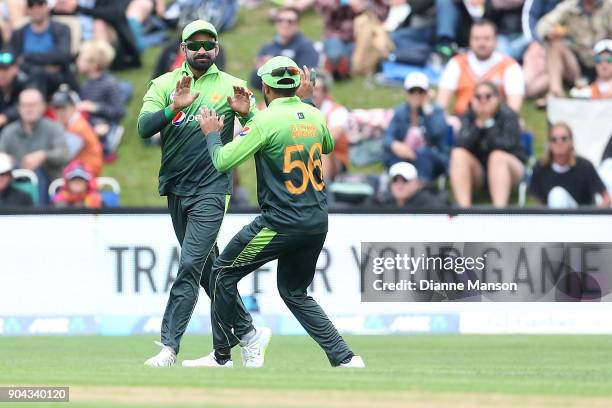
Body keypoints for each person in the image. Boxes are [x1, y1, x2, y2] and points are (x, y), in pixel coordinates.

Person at [190, 56, 364, 368]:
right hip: (315, 220)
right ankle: (345, 358)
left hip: (280, 222)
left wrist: (211, 133)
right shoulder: (313, 115)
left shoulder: (265, 121)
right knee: (295, 292)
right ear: (296, 85)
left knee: (221, 274)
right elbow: (323, 145)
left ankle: (224, 355)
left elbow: (222, 161)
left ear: (266, 87)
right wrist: (301, 103)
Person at [137, 20, 259, 367]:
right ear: (183, 50)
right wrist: (174, 106)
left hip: (213, 188)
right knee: (208, 271)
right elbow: (144, 129)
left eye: (209, 45)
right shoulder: (164, 84)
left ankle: (169, 347)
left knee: (189, 264)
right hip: (176, 188)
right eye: (195, 45)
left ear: (217, 49)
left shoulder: (234, 86)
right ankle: (248, 334)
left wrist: (247, 113)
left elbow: (261, 134)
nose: (202, 50)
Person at [449, 81, 526, 208]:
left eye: (488, 96)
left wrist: (489, 123)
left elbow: (508, 145)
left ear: (497, 98)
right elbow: (461, 143)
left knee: (497, 156)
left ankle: (499, 210)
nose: (483, 101)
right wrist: (478, 126)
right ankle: (464, 209)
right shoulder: (469, 115)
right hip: (479, 171)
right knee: (458, 154)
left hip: (510, 168)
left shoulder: (509, 115)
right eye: (478, 97)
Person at [437, 19, 525, 117]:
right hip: (462, 121)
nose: (481, 43)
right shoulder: (456, 63)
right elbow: (441, 105)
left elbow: (514, 108)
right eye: (476, 38)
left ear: (496, 40)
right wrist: (449, 122)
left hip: (496, 123)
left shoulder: (510, 66)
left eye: (486, 38)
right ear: (470, 40)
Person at [0, 88, 69, 205]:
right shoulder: (9, 131)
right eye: (25, 105)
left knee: (38, 172)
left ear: (43, 107)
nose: (28, 109)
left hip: (50, 183)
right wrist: (8, 161)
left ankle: (39, 214)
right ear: (19, 108)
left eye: (32, 105)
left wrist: (43, 155)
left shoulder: (54, 128)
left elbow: (64, 154)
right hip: (15, 181)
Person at [536, 0, 612, 97]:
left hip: (605, 62)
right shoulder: (569, 6)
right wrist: (550, 32)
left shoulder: (608, 5)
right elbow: (543, 25)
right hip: (579, 63)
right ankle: (556, 92)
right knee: (554, 44)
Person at [384, 72, 449, 183]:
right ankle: (397, 193)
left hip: (431, 157)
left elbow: (437, 133)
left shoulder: (436, 111)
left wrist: (426, 109)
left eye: (421, 91)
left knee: (423, 155)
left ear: (427, 93)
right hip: (404, 156)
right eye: (412, 91)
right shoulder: (400, 112)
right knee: (394, 157)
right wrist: (394, 145)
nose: (416, 95)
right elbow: (388, 136)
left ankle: (421, 192)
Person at [529, 123, 610, 208]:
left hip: (580, 217)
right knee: (556, 195)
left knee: (557, 194)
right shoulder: (540, 168)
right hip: (551, 218)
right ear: (549, 143)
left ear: (571, 141)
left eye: (563, 139)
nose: (559, 142)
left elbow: (606, 198)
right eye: (554, 139)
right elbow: (540, 203)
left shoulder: (585, 167)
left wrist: (593, 216)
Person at [10, 0, 76, 97]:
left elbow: (63, 56)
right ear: (28, 9)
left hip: (56, 78)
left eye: (40, 4)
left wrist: (28, 56)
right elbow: (15, 59)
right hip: (26, 75)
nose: (36, 8)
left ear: (47, 6)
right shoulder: (19, 33)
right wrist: (44, 67)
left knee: (39, 76)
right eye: (31, 5)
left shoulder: (62, 29)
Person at [53, 0, 142, 69]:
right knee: (68, 23)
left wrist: (78, 8)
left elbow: (115, 14)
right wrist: (59, 8)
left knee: (99, 23)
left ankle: (100, 63)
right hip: (78, 37)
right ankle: (69, 62)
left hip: (106, 37)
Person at [76, 40, 127, 155]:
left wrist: (95, 107)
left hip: (105, 122)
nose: (77, 62)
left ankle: (111, 136)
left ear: (94, 65)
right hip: (88, 120)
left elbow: (119, 112)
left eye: (81, 59)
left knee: (99, 128)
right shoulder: (86, 82)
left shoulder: (110, 84)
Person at [315, 0, 387, 80]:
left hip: (359, 40)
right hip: (335, 35)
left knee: (354, 65)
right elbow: (323, 6)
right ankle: (325, 58)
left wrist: (366, 4)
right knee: (335, 57)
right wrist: (344, 2)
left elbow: (384, 12)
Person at [250, 7, 319, 90]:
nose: (284, 24)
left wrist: (274, 68)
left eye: (290, 21)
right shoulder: (267, 48)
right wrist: (260, 70)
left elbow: (309, 79)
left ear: (298, 24)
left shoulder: (305, 46)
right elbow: (255, 84)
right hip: (272, 98)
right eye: (280, 20)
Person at [51, 88, 103, 177]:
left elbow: (65, 155)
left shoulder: (78, 127)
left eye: (63, 108)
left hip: (86, 172)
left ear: (73, 107)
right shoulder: (68, 124)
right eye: (57, 108)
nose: (60, 112)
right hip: (78, 168)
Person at [312, 71, 349, 181]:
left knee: (323, 148)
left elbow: (330, 138)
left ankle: (323, 189)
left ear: (325, 93)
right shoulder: (299, 110)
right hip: (305, 154)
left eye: (317, 89)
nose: (313, 93)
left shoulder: (337, 111)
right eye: (311, 88)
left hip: (335, 161)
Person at [378, 161, 448, 209]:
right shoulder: (383, 204)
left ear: (416, 183)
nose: (400, 184)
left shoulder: (431, 205)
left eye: (405, 180)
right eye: (395, 180)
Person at [0, 52, 26, 131]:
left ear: (16, 70)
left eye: (5, 69)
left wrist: (5, 116)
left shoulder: (24, 85)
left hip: (20, 131)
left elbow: (26, 106)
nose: (1, 74)